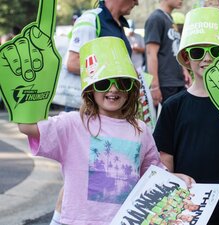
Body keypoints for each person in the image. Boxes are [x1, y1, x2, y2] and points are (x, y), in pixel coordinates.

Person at [17, 37, 193, 225]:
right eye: (103, 83)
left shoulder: (141, 130)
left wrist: (175, 178)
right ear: (90, 89)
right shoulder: (74, 124)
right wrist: (28, 86)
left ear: (131, 89)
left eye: (122, 83)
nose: (113, 89)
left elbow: (152, 174)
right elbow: (27, 127)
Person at [153, 6, 219, 225]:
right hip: (188, 211)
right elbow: (165, 164)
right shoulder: (174, 106)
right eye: (197, 52)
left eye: (215, 51)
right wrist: (172, 179)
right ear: (186, 57)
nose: (206, 58)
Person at [51, 1, 141, 223]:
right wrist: (111, 71)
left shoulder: (119, 25)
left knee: (99, 178)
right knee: (79, 180)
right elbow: (72, 62)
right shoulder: (91, 19)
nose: (138, 2)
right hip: (87, 108)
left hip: (111, 110)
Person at [144, 0, 190, 107]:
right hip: (164, 84)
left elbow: (174, 48)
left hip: (177, 81)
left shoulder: (169, 18)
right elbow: (151, 53)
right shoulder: (156, 18)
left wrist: (184, 70)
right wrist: (154, 86)